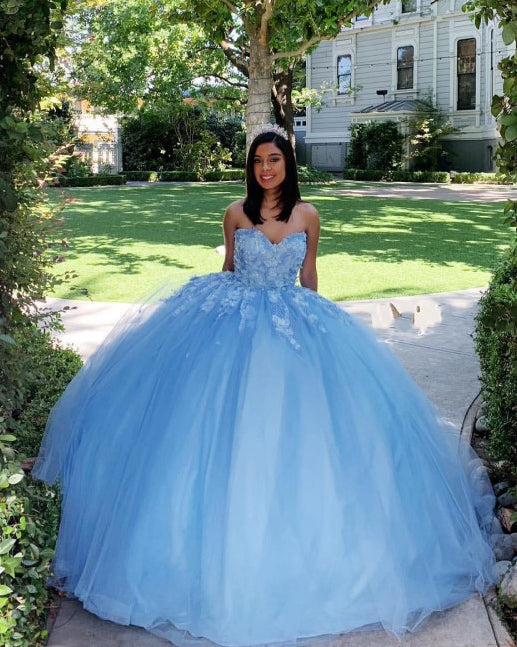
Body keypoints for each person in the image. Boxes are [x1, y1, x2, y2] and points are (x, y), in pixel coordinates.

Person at [32, 123, 499, 647]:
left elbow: (309, 276)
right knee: (215, 427)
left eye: (273, 160)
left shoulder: (307, 215)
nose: (266, 169)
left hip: (295, 320)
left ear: (287, 164)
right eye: (258, 161)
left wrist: (321, 322)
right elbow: (230, 268)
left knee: (312, 427)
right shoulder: (235, 213)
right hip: (237, 321)